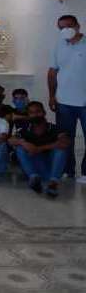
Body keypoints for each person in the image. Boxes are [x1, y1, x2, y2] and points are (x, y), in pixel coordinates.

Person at [48, 15, 86, 181]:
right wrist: (51, 96)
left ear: (77, 26)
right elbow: (52, 72)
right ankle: (67, 169)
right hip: (63, 102)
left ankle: (85, 172)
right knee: (65, 138)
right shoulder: (59, 46)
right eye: (61, 28)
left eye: (69, 26)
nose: (66, 30)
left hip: (84, 102)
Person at [9, 116, 70, 198]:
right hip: (35, 167)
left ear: (44, 113)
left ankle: (53, 183)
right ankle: (34, 178)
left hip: (50, 170)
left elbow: (64, 143)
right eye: (32, 113)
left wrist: (39, 149)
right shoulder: (25, 129)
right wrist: (22, 142)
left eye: (38, 111)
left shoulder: (55, 128)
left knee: (60, 150)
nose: (35, 115)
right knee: (20, 148)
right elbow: (10, 141)